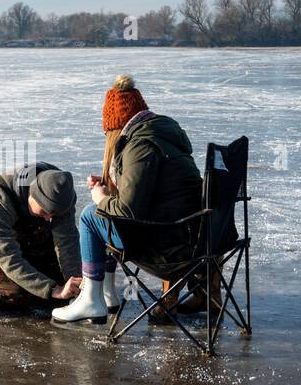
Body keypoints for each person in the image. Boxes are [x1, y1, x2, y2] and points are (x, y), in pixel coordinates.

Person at [53, 76, 206, 324]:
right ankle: (109, 293)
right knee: (103, 211)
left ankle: (92, 300)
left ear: (116, 127)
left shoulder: (140, 145)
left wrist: (101, 196)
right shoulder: (161, 134)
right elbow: (153, 190)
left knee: (91, 215)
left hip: (168, 248)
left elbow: (127, 210)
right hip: (196, 239)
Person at [0, 162, 82, 308]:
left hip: (33, 227)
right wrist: (52, 289)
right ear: (31, 195)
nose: (49, 219)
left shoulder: (61, 190)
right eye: (44, 212)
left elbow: (67, 241)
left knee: (60, 289)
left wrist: (74, 284)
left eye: (55, 215)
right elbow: (8, 256)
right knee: (14, 296)